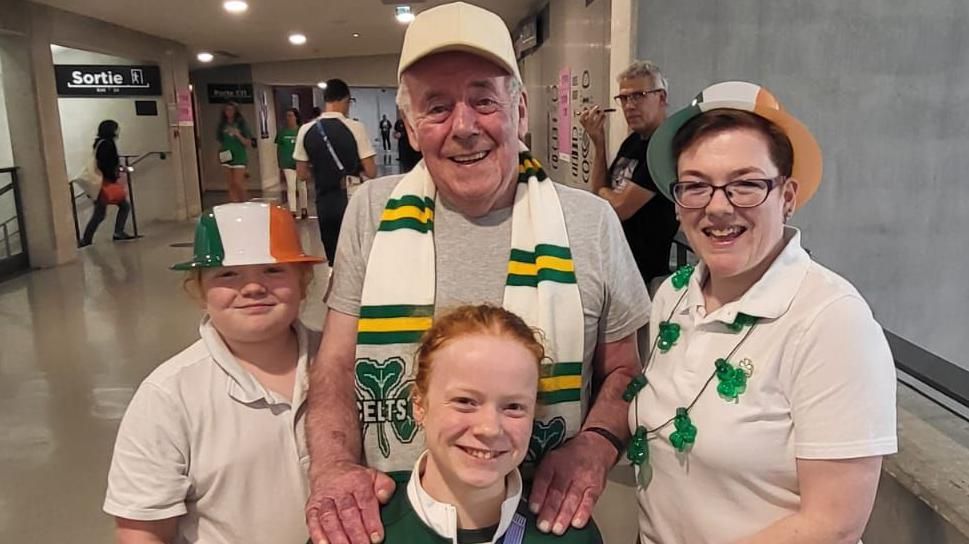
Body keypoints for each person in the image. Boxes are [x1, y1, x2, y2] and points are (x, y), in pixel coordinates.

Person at [304, 3, 649, 544]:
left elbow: (626, 371)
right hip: (391, 517)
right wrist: (331, 465)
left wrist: (595, 445)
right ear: (412, 128)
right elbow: (336, 364)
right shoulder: (371, 211)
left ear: (521, 109)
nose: (464, 127)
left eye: (484, 100)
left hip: (539, 521)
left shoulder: (591, 222)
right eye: (436, 107)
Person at [627, 81, 897, 543]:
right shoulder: (672, 294)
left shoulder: (831, 321)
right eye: (695, 186)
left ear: (787, 196)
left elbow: (832, 524)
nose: (717, 206)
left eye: (746, 184)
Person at [103, 202, 324, 544]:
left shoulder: (339, 364)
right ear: (199, 291)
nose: (252, 288)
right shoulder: (168, 396)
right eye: (227, 274)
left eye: (271, 270)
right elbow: (142, 531)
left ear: (303, 281)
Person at [380, 304, 602, 543]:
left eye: (513, 407)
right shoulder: (360, 529)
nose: (489, 428)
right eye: (465, 401)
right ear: (419, 404)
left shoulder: (571, 536)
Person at [579, 61, 678, 294]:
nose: (629, 106)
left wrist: (607, 196)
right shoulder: (633, 142)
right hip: (614, 264)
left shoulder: (665, 148)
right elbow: (598, 194)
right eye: (624, 99)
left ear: (661, 98)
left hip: (641, 275)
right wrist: (599, 143)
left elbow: (620, 208)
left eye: (639, 96)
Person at [294, 78, 377, 264]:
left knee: (334, 256)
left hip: (324, 200)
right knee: (357, 255)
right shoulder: (356, 127)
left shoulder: (306, 130)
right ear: (345, 99)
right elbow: (371, 171)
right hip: (352, 199)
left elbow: (301, 174)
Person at [79, 119, 134, 247]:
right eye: (116, 128)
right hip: (103, 183)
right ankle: (88, 239)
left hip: (102, 182)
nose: (117, 131)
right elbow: (105, 163)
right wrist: (115, 172)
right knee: (104, 212)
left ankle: (89, 238)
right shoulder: (107, 144)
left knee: (111, 210)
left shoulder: (100, 143)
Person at [216, 101, 256, 202]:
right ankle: (234, 205)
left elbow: (248, 142)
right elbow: (221, 140)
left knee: (238, 183)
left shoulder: (241, 124)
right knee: (231, 184)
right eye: (227, 110)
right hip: (226, 156)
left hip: (239, 157)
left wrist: (238, 134)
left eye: (231, 110)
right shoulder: (222, 125)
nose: (229, 112)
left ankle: (244, 202)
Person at [276, 108, 309, 219]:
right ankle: (293, 210)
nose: (289, 118)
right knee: (291, 186)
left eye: (291, 115)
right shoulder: (282, 132)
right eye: (287, 116)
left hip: (300, 162)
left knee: (302, 186)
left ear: (296, 117)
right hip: (287, 162)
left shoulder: (301, 131)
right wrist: (279, 163)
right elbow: (279, 148)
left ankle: (304, 208)